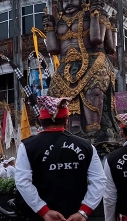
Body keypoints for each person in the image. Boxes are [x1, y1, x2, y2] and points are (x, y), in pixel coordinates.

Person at [43, 0, 118, 139]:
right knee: (53, 94)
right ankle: (59, 129)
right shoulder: (60, 20)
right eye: (65, 0)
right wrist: (49, 28)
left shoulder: (95, 13)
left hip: (94, 58)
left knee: (93, 91)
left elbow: (97, 39)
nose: (69, 3)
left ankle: (93, 130)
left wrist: (95, 15)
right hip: (66, 63)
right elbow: (53, 49)